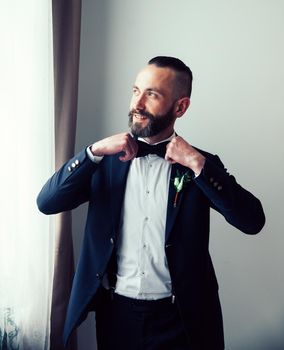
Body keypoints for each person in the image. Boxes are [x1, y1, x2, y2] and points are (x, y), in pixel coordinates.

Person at [37, 56, 265, 350]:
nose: (138, 103)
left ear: (180, 107)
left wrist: (198, 164)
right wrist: (92, 152)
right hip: (116, 315)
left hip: (181, 320)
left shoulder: (199, 165)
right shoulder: (103, 161)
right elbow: (47, 202)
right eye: (135, 91)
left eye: (152, 94)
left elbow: (252, 221)